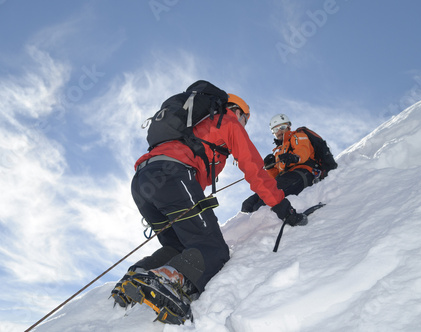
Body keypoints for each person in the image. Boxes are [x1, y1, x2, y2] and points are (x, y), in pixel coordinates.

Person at [111, 89, 307, 324]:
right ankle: (166, 280)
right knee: (212, 248)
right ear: (235, 110)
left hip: (143, 181)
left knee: (181, 245)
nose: (244, 124)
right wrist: (281, 205)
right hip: (173, 175)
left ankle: (135, 277)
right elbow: (254, 170)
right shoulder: (227, 121)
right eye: (245, 118)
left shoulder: (190, 128)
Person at [241, 113, 317, 213]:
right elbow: (275, 176)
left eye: (282, 127)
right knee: (248, 204)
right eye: (275, 130)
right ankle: (248, 224)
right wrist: (270, 168)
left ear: (288, 127)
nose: (279, 131)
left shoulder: (297, 136)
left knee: (261, 206)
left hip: (302, 173)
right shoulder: (278, 151)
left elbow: (303, 150)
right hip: (284, 178)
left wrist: (295, 157)